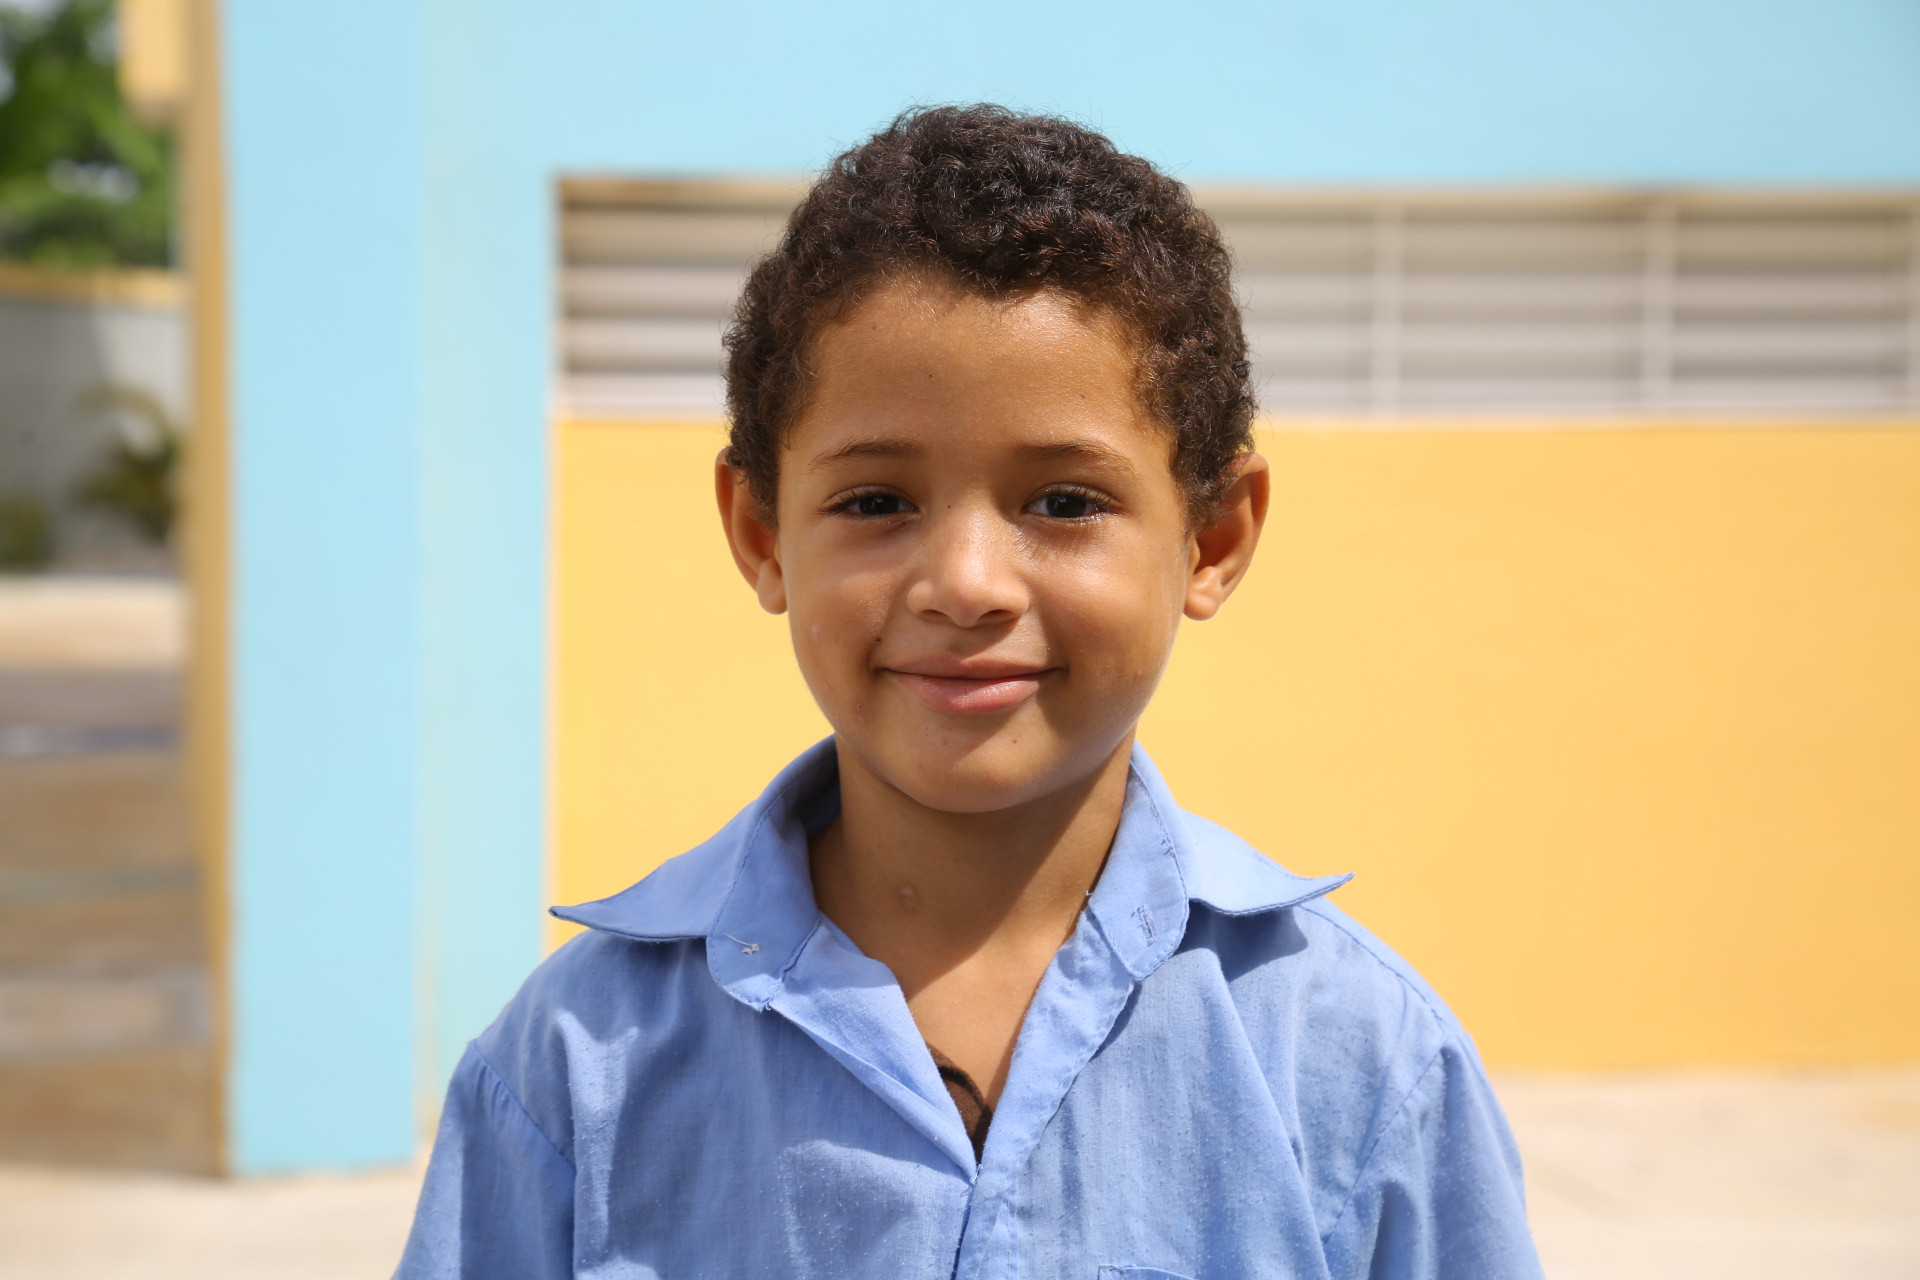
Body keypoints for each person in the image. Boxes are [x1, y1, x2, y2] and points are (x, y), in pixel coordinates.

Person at [395, 105, 1542, 1280]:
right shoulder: (576, 1068)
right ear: (762, 533)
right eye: (876, 502)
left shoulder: (1361, 1060)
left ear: (1211, 538)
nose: (966, 584)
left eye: (1065, 502)